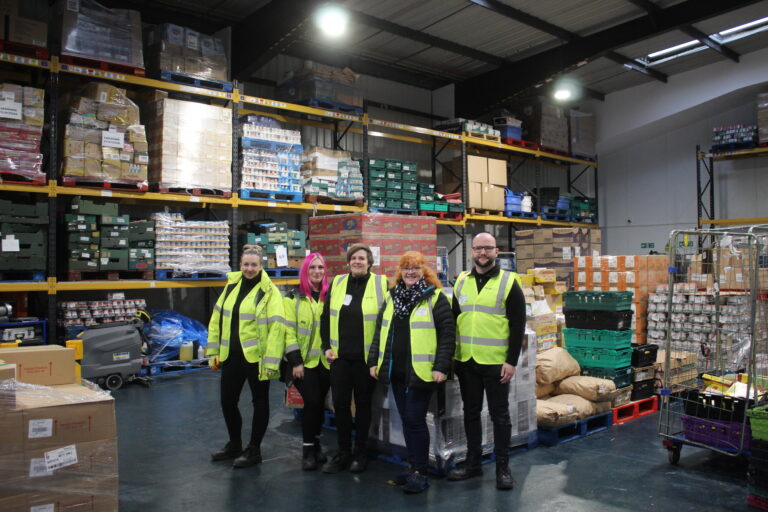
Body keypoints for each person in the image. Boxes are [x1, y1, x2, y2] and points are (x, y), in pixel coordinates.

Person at [368, 251, 455, 494]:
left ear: (423, 271)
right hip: (397, 369)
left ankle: (421, 472)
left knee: (415, 420)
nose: (410, 272)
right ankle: (413, 466)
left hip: (421, 371)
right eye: (406, 268)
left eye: (415, 268)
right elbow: (380, 332)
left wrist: (441, 366)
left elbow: (447, 334)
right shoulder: (393, 296)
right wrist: (374, 361)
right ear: (400, 271)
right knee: (407, 420)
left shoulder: (435, 297)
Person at [447, 232, 525, 490]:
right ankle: (473, 463)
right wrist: (452, 357)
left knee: (499, 415)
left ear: (496, 251)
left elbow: (517, 326)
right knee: (470, 413)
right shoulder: (461, 281)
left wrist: (511, 361)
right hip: (467, 361)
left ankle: (503, 467)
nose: (483, 253)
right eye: (478, 248)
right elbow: (454, 319)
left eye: (488, 249)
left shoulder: (509, 282)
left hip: (495, 363)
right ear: (472, 251)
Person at [206, 245, 286, 468]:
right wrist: (212, 351)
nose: (249, 269)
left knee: (260, 402)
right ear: (240, 265)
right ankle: (235, 444)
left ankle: (254, 450)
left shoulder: (270, 292)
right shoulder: (232, 286)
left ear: (261, 266)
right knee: (227, 401)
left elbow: (277, 328)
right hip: (231, 357)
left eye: (254, 265)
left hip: (256, 359)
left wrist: (271, 361)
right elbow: (216, 319)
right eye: (246, 264)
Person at [320, 243, 388, 473]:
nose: (357, 262)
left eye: (361, 258)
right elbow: (326, 316)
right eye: (353, 258)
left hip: (365, 360)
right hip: (339, 359)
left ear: (369, 262)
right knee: (340, 405)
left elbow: (387, 321)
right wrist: (325, 346)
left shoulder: (381, 283)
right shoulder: (338, 282)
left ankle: (361, 453)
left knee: (363, 405)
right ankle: (343, 452)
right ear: (348, 262)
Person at [283, 252, 331, 470]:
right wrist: (295, 362)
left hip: (325, 362)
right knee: (311, 402)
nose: (317, 272)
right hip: (303, 364)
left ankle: (317, 445)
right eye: (312, 268)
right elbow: (288, 332)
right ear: (305, 271)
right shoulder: (293, 298)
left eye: (320, 268)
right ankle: (307, 450)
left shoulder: (329, 297)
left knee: (319, 404)